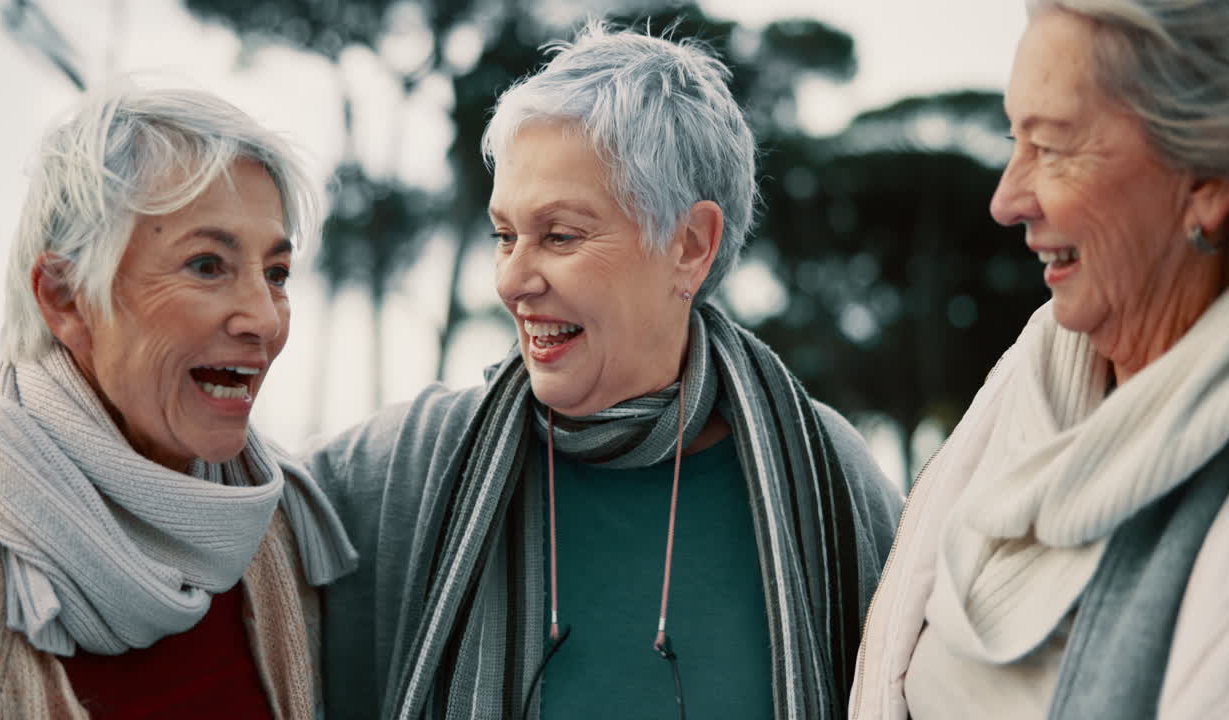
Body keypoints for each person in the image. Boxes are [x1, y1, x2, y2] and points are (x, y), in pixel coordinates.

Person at [308, 22, 901, 720]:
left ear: (689, 246)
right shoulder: (403, 468)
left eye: (560, 235)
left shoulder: (831, 481)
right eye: (505, 235)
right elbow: (209, 537)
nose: (513, 279)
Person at [850, 1, 1229, 718]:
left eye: (1055, 147)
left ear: (1207, 182)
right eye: (1014, 138)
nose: (1006, 199)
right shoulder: (1024, 379)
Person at [0, 85, 358, 719]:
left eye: (276, 273)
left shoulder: (268, 522)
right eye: (207, 265)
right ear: (66, 298)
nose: (264, 317)